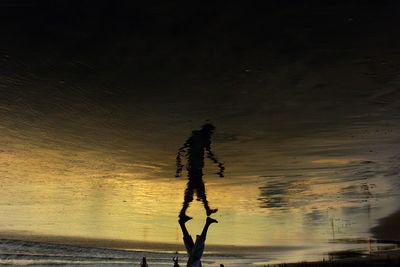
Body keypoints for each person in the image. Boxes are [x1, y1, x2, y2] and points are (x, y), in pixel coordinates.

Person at [176, 123, 225, 219]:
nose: (211, 134)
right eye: (210, 132)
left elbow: (183, 148)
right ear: (207, 131)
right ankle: (183, 213)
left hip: (194, 166)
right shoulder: (202, 138)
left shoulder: (196, 137)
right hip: (195, 167)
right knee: (194, 188)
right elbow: (209, 153)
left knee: (197, 187)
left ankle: (206, 209)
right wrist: (219, 164)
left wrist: (179, 166)